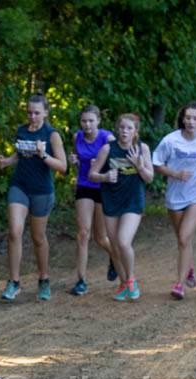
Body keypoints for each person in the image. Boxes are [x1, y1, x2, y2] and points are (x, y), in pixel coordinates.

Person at [151, 102, 196, 300]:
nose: (191, 122)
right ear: (183, 119)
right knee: (183, 240)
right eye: (188, 118)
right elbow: (156, 163)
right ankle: (189, 268)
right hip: (175, 196)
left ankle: (179, 284)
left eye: (195, 118)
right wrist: (174, 173)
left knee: (184, 237)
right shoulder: (170, 141)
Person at [0, 94, 67, 302]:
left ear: (46, 112)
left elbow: (63, 167)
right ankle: (14, 282)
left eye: (37, 113)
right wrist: (6, 162)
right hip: (19, 186)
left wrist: (43, 155)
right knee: (14, 231)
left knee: (38, 237)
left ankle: (44, 279)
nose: (32, 116)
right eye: (29, 112)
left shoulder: (52, 135)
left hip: (42, 191)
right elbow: (20, 154)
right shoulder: (21, 131)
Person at [87, 113, 154, 302]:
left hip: (133, 201)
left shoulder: (142, 149)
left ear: (135, 132)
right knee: (115, 247)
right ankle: (123, 283)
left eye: (129, 128)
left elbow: (150, 178)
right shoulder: (108, 149)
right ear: (117, 129)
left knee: (124, 242)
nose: (125, 131)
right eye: (122, 128)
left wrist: (139, 166)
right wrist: (105, 177)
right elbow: (91, 174)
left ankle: (131, 279)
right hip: (111, 201)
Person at [67, 105, 117, 295]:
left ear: (98, 121)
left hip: (103, 187)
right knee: (83, 233)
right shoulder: (77, 137)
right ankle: (81, 280)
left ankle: (114, 256)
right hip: (85, 185)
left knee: (100, 237)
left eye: (91, 121)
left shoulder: (107, 138)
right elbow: (81, 162)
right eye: (84, 121)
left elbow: (117, 159)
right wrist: (75, 161)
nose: (87, 125)